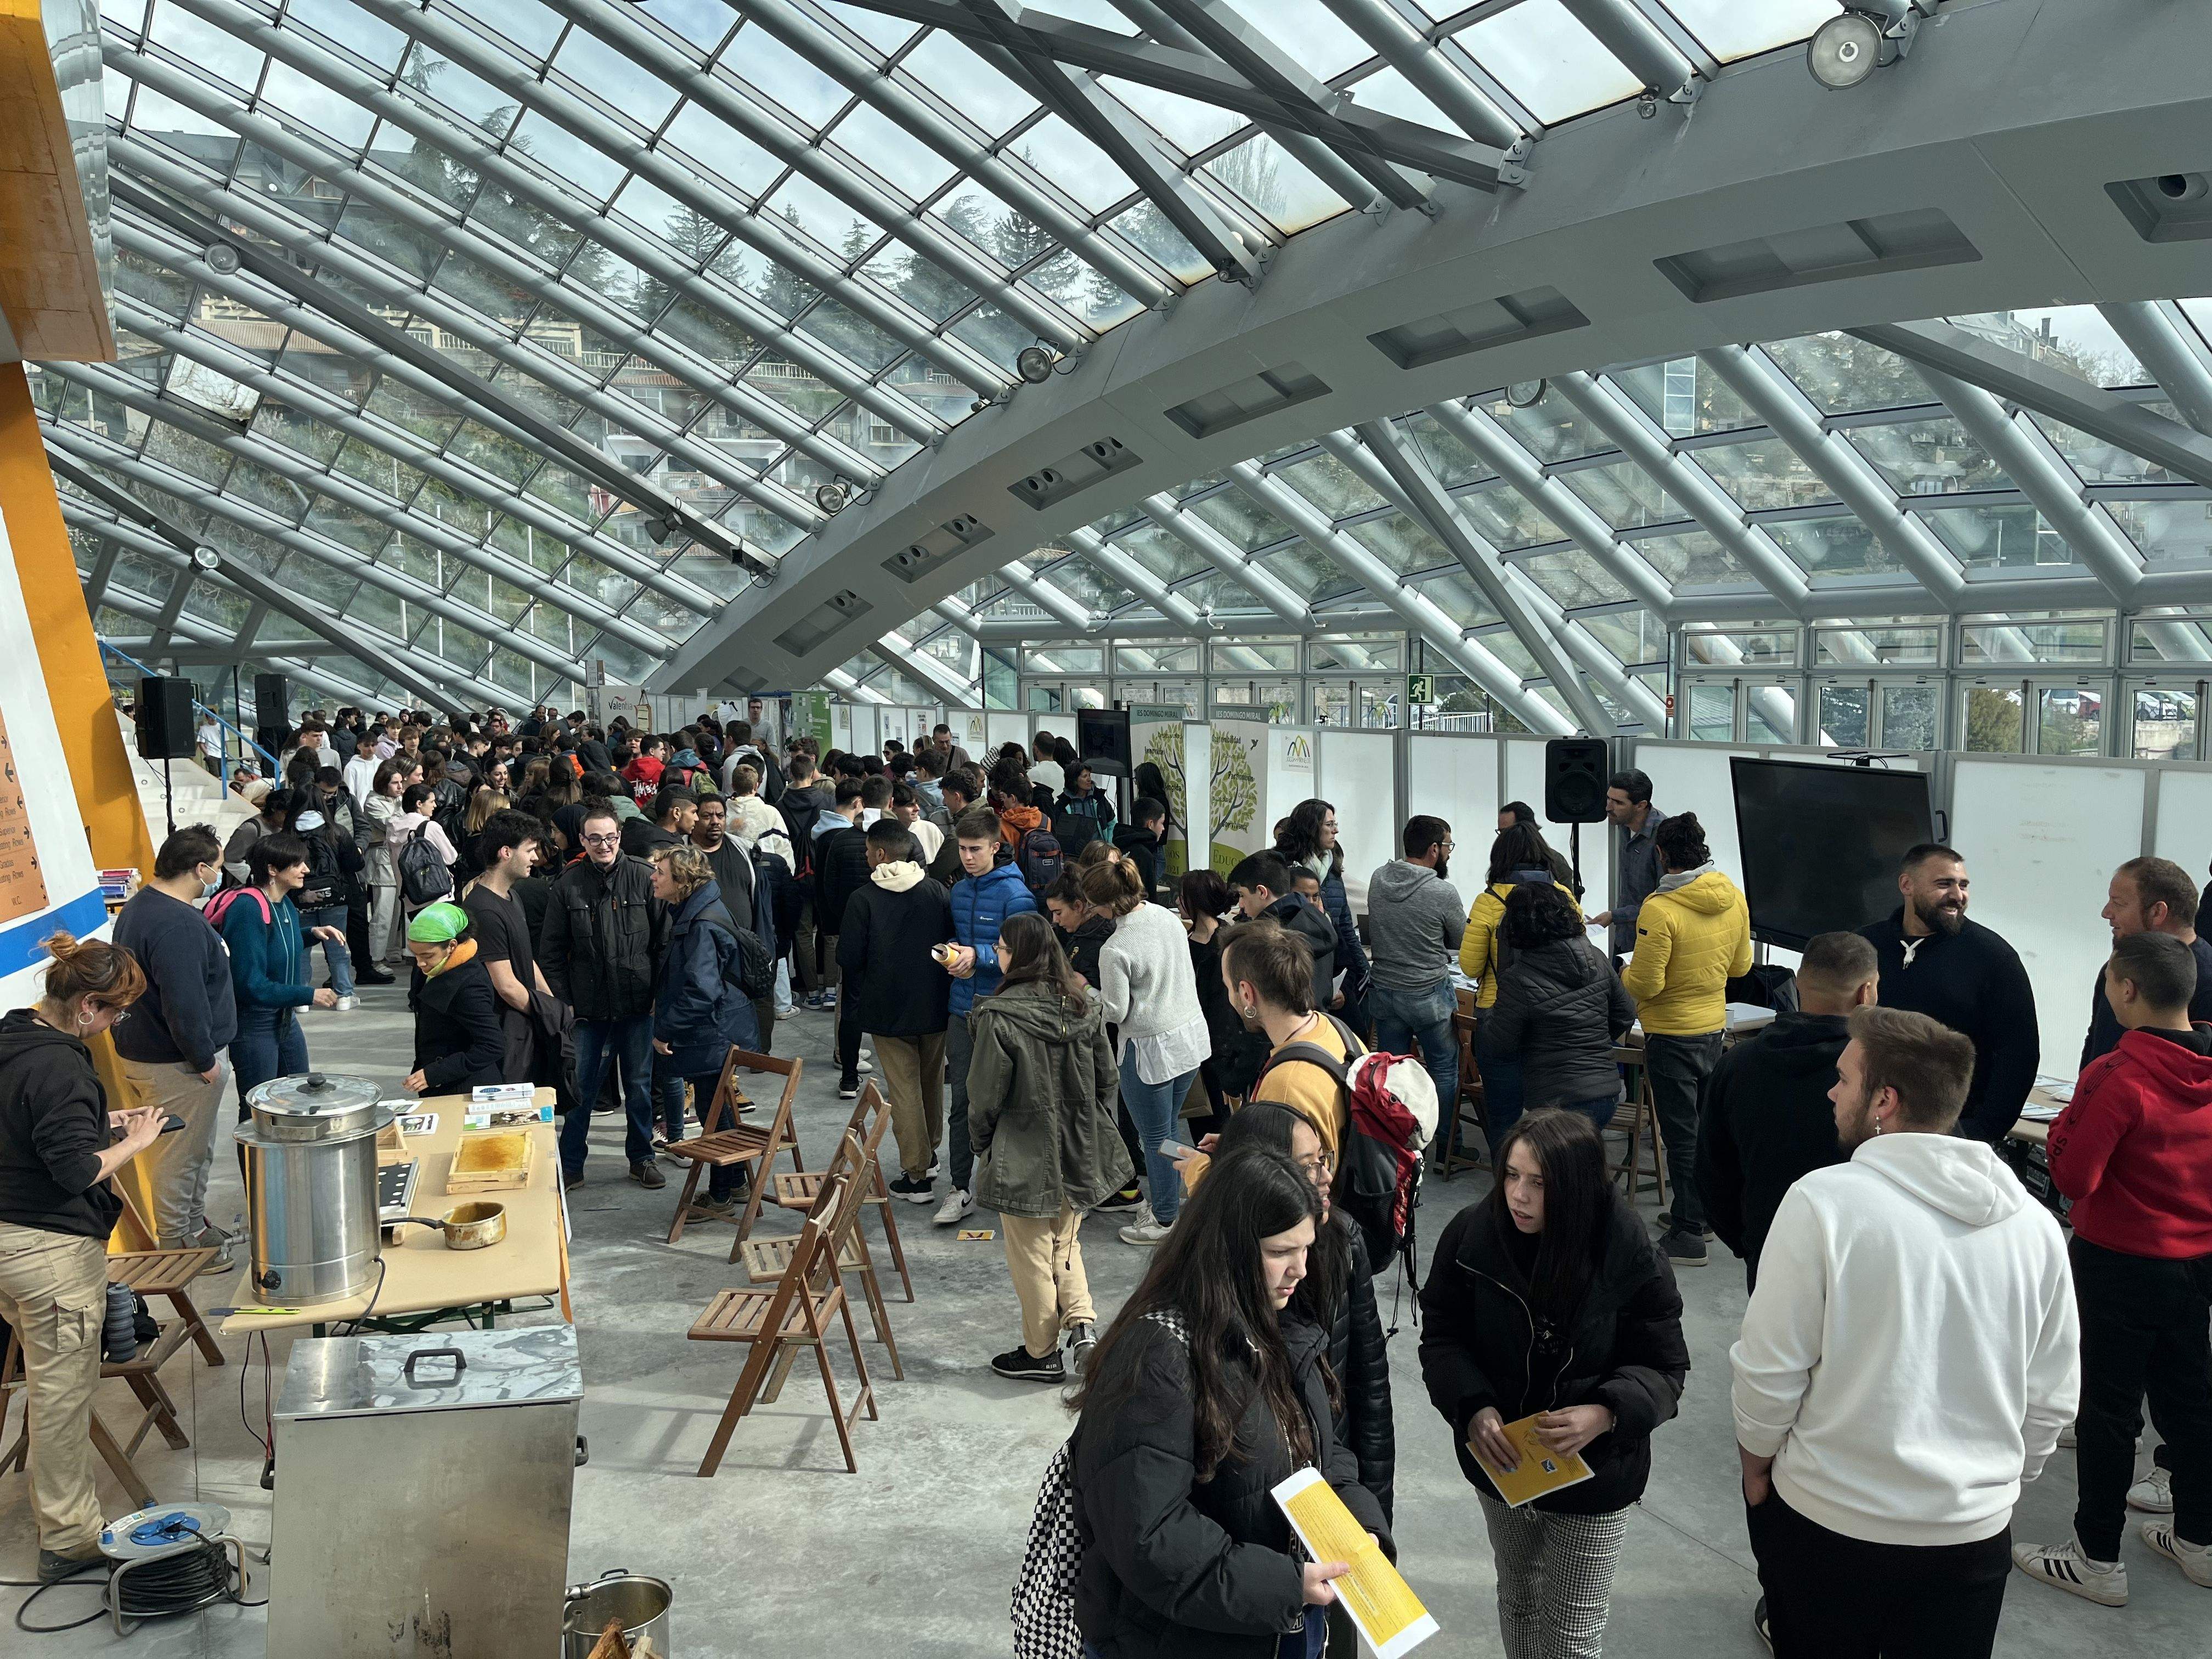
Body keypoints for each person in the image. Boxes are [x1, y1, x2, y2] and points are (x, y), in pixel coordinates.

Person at [1733, 1006, 2078, 1659]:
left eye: (1844, 1079)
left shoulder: (1823, 1204)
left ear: (1884, 1101)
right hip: (1970, 1539)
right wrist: (1990, 1488)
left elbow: (1768, 1372)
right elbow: (2054, 1397)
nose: (1832, 1093)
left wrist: (1756, 1468)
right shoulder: (2035, 1227)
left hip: (1830, 1524)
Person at [1068, 1146, 1391, 1659]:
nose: (1300, 1270)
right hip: (1179, 1640)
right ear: (1229, 1249)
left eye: (1306, 1248)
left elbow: (1319, 1454)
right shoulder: (1155, 1357)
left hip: (1275, 1624)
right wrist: (1284, 1586)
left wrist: (1361, 1526)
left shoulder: (1279, 1324)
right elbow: (1148, 1535)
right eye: (1281, 1252)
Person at [1421, 1110, 1689, 1659]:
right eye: (1512, 1175)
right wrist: (1473, 1406)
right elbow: (1443, 1336)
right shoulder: (1472, 1236)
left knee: (1571, 1634)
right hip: (1505, 1463)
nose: (1519, 1196)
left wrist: (1606, 1413)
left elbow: (1665, 1369)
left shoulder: (1629, 1253)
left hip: (1596, 1474)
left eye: (1539, 1183)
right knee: (1519, 1598)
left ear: (1576, 1187)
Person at [2016, 930, 2212, 1602]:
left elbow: (2071, 1171)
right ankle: (2200, 1540)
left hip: (2120, 1265)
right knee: (2190, 1404)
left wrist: (2075, 1112)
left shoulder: (2117, 1074)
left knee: (2108, 1412)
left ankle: (2097, 1557)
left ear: (2126, 989)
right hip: (2197, 1266)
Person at [0, 933, 163, 1582]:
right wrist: (138, 1140)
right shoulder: (63, 1065)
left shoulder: (13, 1035)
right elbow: (73, 1171)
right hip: (48, 1252)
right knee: (61, 1397)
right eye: (116, 1013)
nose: (118, 1024)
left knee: (47, 1383)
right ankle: (68, 1538)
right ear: (88, 1005)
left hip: (8, 1239)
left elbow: (29, 1127)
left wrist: (103, 1120)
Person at [1213, 1102, 1394, 1527]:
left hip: (1332, 1473)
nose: (1326, 1177)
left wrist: (1374, 1514)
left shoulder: (1344, 1241)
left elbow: (1369, 1383)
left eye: (1324, 1159)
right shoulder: (1204, 1290)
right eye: (1307, 1166)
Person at [967, 911, 1126, 1383]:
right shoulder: (1083, 1005)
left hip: (1023, 1150)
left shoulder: (1000, 1017)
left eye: (1002, 946)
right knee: (1066, 1241)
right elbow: (1107, 1079)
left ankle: (1041, 1354)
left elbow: (984, 1097)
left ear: (1019, 956)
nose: (997, 953)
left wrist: (982, 1145)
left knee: (1032, 1254)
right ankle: (1082, 1325)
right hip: (1080, 1145)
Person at [1698, 931, 1877, 1291]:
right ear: (1867, 992)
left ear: (1797, 983)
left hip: (1769, 1252)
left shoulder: (1736, 1065)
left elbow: (1712, 1176)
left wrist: (1751, 1245)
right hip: (1863, 1263)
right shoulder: (1880, 1074)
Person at [1620, 812, 1750, 1268]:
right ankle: (1698, 1213)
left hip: (1671, 1033)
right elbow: (1740, 968)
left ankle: (1689, 1234)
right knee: (1703, 1130)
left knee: (1681, 1137)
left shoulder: (1660, 909)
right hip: (1713, 1028)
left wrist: (1624, 972)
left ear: (1661, 854)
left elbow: (1647, 985)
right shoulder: (1732, 896)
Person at [110, 826, 236, 1258]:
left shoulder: (143, 906)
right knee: (180, 1158)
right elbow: (184, 1002)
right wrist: (205, 1060)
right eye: (217, 869)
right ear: (200, 869)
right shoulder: (175, 923)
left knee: (192, 1151)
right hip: (178, 1063)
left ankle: (192, 1228)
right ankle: (179, 1245)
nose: (220, 876)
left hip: (161, 1055)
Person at [1858, 844, 2039, 1144]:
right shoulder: (1865, 945)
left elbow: (2019, 1054)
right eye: (1944, 884)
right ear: (1907, 885)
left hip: (1953, 1134)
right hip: (1869, 1124)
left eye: (1963, 885)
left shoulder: (1994, 958)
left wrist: (1982, 1132)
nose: (1957, 895)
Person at [542, 804, 667, 1190]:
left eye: (610, 838)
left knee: (640, 1087)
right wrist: (566, 1004)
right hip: (588, 1011)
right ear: (582, 840)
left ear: (620, 838)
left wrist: (658, 997)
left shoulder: (645, 879)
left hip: (637, 1007)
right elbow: (550, 952)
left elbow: (665, 944)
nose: (604, 845)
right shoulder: (567, 885)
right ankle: (572, 1165)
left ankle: (642, 1158)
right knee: (581, 1089)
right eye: (594, 839)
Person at [1088, 856, 1209, 1248]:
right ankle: (1179, 1198)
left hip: (1149, 1051)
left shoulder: (1116, 947)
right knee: (1168, 1129)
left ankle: (1164, 1218)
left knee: (1155, 1137)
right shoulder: (1165, 916)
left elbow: (1115, 1011)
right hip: (1188, 1037)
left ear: (1103, 905)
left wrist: (1083, 990)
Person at [837, 821, 954, 1201]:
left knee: (903, 1090)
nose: (866, 856)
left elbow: (849, 958)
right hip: (936, 1003)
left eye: (869, 851)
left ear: (882, 855)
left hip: (886, 1009)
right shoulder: (937, 891)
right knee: (931, 1082)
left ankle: (917, 1174)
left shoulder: (863, 899)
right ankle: (930, 1153)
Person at [648, 843, 760, 1217]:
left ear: (682, 881)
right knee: (718, 1108)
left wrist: (664, 1030)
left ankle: (721, 1194)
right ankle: (735, 1185)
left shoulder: (701, 924)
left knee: (717, 1115)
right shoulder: (699, 910)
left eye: (660, 873)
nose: (653, 878)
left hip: (712, 1031)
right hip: (717, 1028)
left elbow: (701, 989)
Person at [939, 807, 1039, 1224]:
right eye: (961, 849)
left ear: (996, 847)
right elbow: (965, 940)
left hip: (1002, 1013)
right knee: (961, 1101)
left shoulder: (1018, 897)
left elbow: (1024, 957)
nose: (967, 857)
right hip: (962, 1009)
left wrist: (975, 957)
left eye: (975, 849)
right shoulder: (959, 891)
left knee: (1006, 1103)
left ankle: (1008, 1184)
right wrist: (951, 954)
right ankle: (960, 1187)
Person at [1459, 823, 1582, 1139]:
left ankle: (1508, 1178)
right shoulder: (1565, 897)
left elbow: (1471, 967)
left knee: (1503, 1112)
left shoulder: (1488, 901)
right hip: (1555, 1015)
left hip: (1498, 1012)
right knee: (1552, 1114)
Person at [1486, 882, 1635, 1132]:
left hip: (1553, 1099)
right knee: (1582, 1166)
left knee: (1559, 1169)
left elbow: (1500, 1046)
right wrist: (1593, 1040)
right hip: (1605, 1094)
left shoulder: (1518, 979)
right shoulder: (1596, 956)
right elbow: (1626, 1014)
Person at [221, 833, 341, 1099]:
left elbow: (278, 944)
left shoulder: (284, 902)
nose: (306, 870)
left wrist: (311, 933)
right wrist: (309, 994)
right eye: (297, 864)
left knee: (298, 1096)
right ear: (273, 870)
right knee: (258, 1108)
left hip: (285, 1018)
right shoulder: (247, 908)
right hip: (255, 1024)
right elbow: (250, 984)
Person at [1364, 815, 1466, 1121]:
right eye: (1448, 845)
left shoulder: (1378, 879)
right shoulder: (1443, 892)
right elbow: (1461, 939)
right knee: (1444, 1070)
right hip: (1428, 995)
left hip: (1384, 991)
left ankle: (1396, 1145)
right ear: (1434, 849)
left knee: (1392, 1074)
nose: (1449, 852)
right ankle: (1448, 1146)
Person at [464, 810, 566, 1093]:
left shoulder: (512, 896)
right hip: (505, 1036)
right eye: (530, 850)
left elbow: (525, 958)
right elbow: (506, 985)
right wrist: (549, 1015)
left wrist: (551, 1002)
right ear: (506, 852)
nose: (536, 858)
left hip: (525, 1028)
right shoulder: (483, 909)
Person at [2081, 856, 2212, 1066]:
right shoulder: (2119, 967)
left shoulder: (2206, 983)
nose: (2106, 913)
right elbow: (2096, 1043)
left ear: (2158, 912)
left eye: (2118, 903)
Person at [1274, 799, 1369, 1025]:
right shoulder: (1282, 869)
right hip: (1295, 969)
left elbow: (1344, 926)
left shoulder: (1333, 871)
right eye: (1330, 824)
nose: (1336, 830)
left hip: (1333, 967)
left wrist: (1363, 970)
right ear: (1312, 827)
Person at [401, 901, 505, 1095]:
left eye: (427, 955)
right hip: (437, 1079)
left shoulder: (469, 985)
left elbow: (493, 1045)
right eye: (415, 955)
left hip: (465, 1090)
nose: (420, 963)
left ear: (452, 946)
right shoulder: (432, 968)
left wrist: (434, 1073)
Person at [1228, 853, 1335, 1013]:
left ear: (1261, 892)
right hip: (1317, 1026)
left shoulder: (1269, 938)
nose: (1241, 904)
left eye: (1242, 895)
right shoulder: (1319, 923)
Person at [1591, 770, 1664, 960]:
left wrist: (1615, 915)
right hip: (1624, 937)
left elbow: (1664, 901)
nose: (1608, 807)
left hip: (1649, 944)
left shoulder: (1663, 838)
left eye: (1618, 803)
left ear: (1641, 806)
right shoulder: (1624, 824)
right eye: (1609, 799)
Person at [292, 808, 358, 1010]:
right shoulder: (336, 832)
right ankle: (344, 996)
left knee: (303, 947)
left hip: (302, 898)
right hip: (335, 898)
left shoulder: (291, 836)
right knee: (337, 946)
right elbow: (356, 863)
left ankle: (302, 998)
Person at [1042, 870, 1113, 988]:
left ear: (1078, 906)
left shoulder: (1096, 947)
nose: (1055, 920)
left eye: (1058, 913)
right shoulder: (1078, 933)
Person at [1499, 800, 1582, 895]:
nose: (1502, 837)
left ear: (1526, 829)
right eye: (1500, 832)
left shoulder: (1555, 860)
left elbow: (1569, 903)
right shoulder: (1501, 858)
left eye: (1506, 831)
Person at [223, 785, 296, 885]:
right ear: (274, 809)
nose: (290, 819)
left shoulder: (284, 826)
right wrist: (257, 880)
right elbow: (230, 859)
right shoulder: (251, 829)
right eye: (286, 815)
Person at [1113, 797, 1167, 899]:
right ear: (1151, 824)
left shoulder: (1119, 845)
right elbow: (1148, 897)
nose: (1163, 828)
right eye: (1162, 823)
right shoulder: (1144, 855)